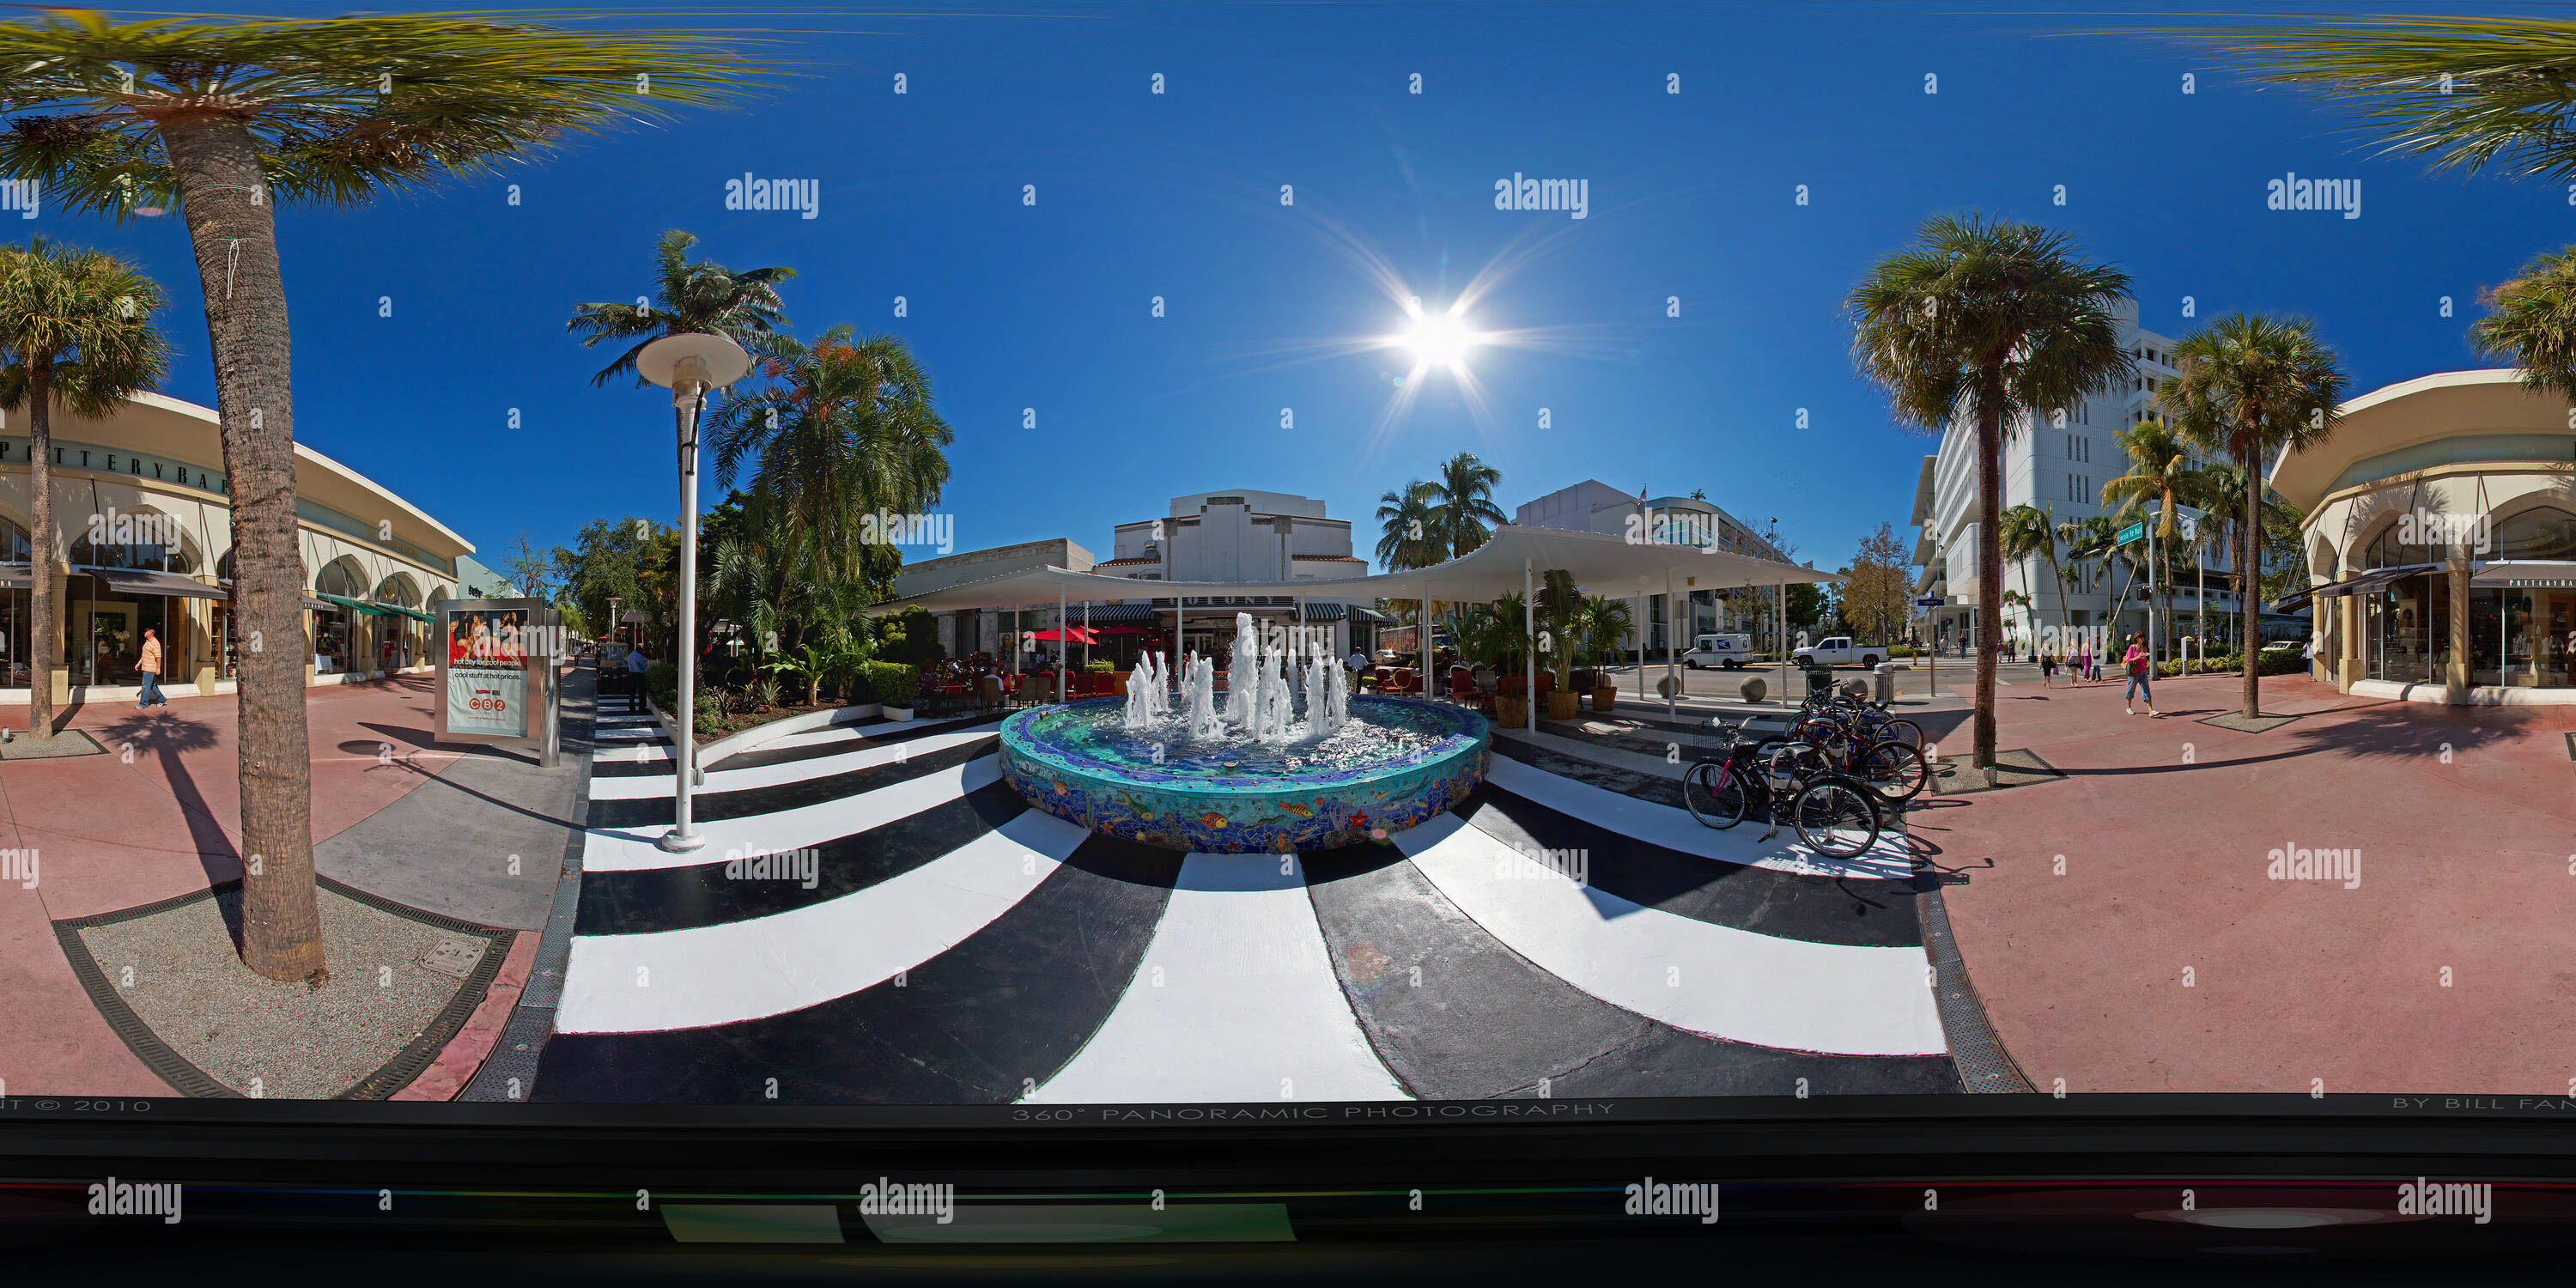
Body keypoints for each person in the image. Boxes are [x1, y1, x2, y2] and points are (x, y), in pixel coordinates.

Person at [2122, 632, 2161, 717]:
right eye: (2140, 637)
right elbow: (2128, 660)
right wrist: (2138, 657)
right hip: (2134, 672)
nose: (2142, 638)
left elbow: (2144, 660)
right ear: (2136, 639)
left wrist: (2145, 656)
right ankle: (2128, 707)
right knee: (2131, 689)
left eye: (2143, 637)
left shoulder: (2144, 648)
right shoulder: (2132, 648)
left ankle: (2151, 710)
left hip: (2143, 672)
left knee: (2146, 690)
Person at [135, 627, 167, 709]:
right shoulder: (147, 642)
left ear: (151, 632)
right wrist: (138, 664)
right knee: (152, 686)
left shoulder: (155, 643)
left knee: (145, 686)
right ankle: (162, 699)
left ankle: (143, 704)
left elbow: (158, 657)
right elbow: (145, 655)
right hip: (146, 668)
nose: (144, 633)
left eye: (146, 631)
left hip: (150, 668)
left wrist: (158, 668)